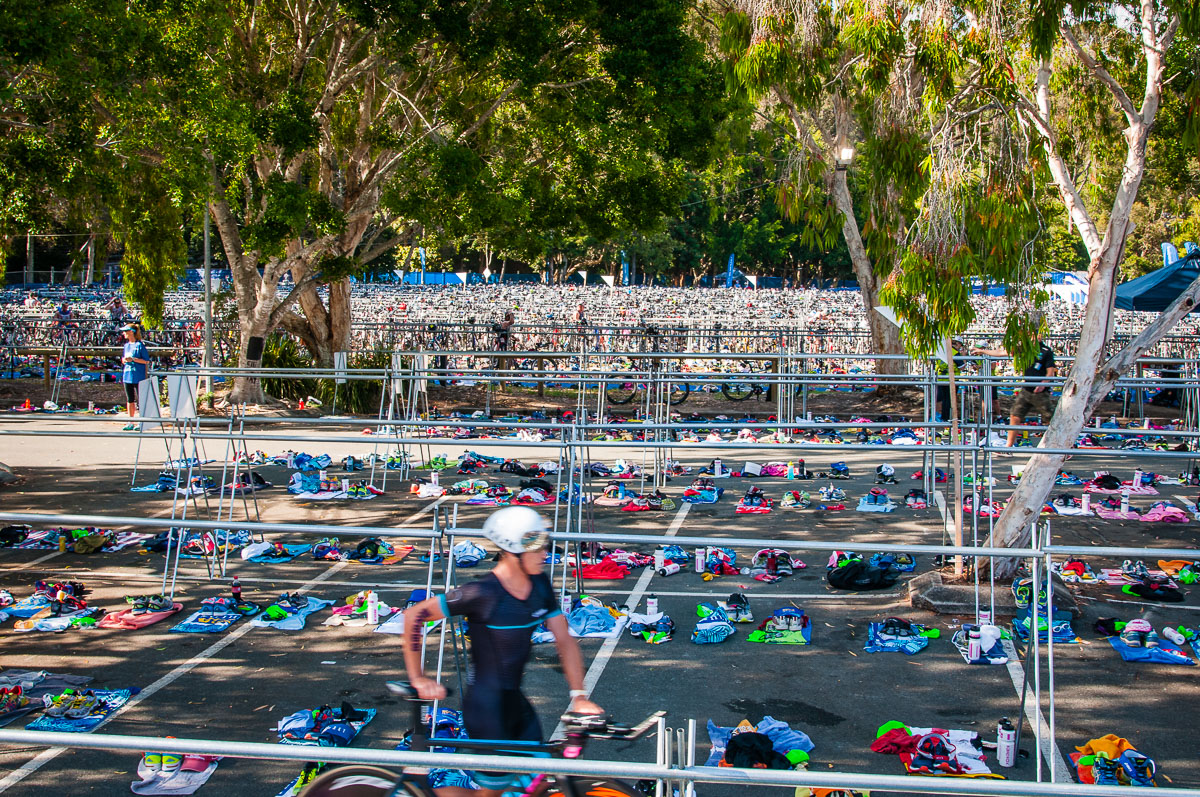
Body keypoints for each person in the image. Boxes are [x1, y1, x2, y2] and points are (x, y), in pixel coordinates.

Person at [400, 506, 602, 797]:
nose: (545, 552)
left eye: (545, 544)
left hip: (515, 703)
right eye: (536, 546)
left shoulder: (540, 585)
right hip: (486, 710)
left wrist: (579, 697)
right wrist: (418, 678)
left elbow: (565, 641)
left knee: (542, 781)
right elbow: (414, 616)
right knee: (491, 793)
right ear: (511, 551)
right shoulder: (483, 593)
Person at [972, 338, 1058, 447]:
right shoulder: (1024, 348)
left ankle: (1062, 446)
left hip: (1039, 392)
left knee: (1050, 418)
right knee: (1015, 415)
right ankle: (1008, 446)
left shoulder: (1046, 351)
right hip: (1027, 389)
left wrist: (1043, 384)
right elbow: (1003, 352)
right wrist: (984, 351)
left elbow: (1050, 372)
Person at [120, 324, 151, 430]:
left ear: (131, 332)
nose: (124, 333)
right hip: (127, 375)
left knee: (140, 399)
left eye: (126, 331)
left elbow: (146, 360)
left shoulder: (139, 345)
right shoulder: (126, 345)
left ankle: (142, 421)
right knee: (130, 399)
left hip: (138, 376)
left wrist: (133, 359)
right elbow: (123, 358)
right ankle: (130, 421)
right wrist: (124, 360)